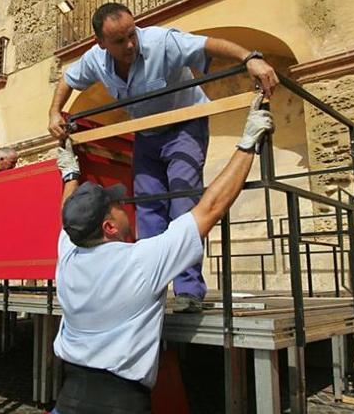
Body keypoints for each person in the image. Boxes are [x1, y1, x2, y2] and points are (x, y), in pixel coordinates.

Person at [47, 2, 279, 313]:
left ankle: (188, 292)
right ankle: (150, 289)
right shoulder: (95, 61)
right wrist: (53, 112)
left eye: (132, 34)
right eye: (119, 41)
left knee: (183, 202)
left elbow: (208, 44)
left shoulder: (161, 41)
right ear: (101, 44)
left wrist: (250, 58)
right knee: (147, 207)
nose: (130, 44)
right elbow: (67, 79)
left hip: (186, 123)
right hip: (147, 134)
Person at [51, 94, 274, 413]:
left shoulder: (70, 254)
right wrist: (248, 141)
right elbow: (209, 208)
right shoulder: (140, 263)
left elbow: (66, 215)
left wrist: (70, 174)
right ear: (110, 227)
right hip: (119, 404)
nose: (124, 206)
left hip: (68, 398)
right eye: (118, 206)